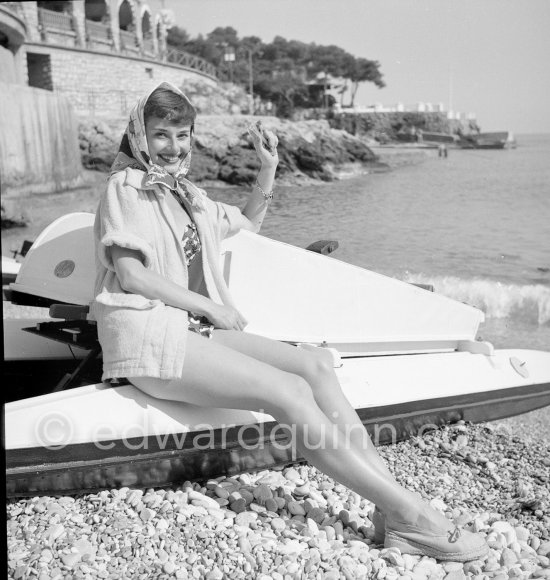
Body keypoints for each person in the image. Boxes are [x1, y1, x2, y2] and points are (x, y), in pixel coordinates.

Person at [91, 81, 488, 562]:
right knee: (289, 393)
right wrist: (211, 307)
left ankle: (391, 503)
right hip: (150, 334)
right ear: (139, 135)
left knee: (315, 367)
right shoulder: (126, 188)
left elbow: (247, 222)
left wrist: (269, 168)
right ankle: (413, 517)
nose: (174, 147)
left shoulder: (187, 194)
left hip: (193, 330)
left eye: (183, 135)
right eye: (161, 135)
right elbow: (131, 275)